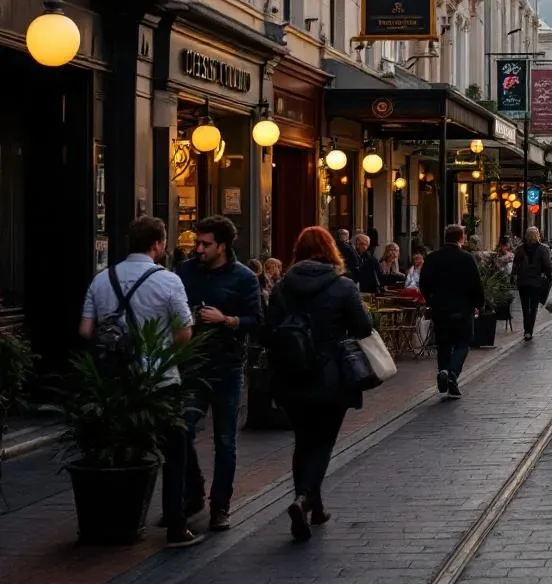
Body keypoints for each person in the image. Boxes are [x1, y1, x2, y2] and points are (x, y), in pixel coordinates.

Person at [79, 216, 199, 547]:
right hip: (160, 379)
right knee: (175, 451)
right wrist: (159, 350)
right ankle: (176, 524)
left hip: (115, 383)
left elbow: (86, 331)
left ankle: (117, 521)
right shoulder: (169, 281)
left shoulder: (102, 279)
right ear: (158, 244)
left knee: (120, 449)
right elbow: (185, 332)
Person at [264, 226, 373, 542]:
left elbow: (268, 330)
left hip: (291, 373)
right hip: (329, 374)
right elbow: (363, 328)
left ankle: (314, 505)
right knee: (323, 441)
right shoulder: (343, 286)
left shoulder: (283, 287)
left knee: (303, 440)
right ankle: (304, 499)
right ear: (331, 251)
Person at [174, 215, 263, 532]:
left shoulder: (243, 278)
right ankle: (194, 491)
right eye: (198, 242)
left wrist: (226, 320)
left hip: (227, 365)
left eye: (205, 244)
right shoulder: (184, 272)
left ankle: (220, 506)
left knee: (225, 440)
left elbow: (257, 321)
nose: (198, 249)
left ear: (222, 246)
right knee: (182, 430)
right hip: (192, 364)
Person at [419, 224, 484, 399]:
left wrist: (431, 300)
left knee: (443, 343)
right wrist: (479, 303)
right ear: (461, 238)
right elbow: (476, 283)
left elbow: (423, 282)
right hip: (463, 309)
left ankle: (444, 370)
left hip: (440, 309)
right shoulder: (467, 258)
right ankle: (453, 373)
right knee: (463, 342)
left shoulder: (433, 258)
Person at [512, 227, 552, 341]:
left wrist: (513, 277)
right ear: (537, 235)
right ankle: (529, 331)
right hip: (536, 282)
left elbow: (515, 265)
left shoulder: (520, 249)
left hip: (523, 282)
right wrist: (551, 278)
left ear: (526, 236)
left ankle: (527, 330)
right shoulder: (543, 249)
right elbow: (547, 266)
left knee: (525, 307)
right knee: (533, 307)